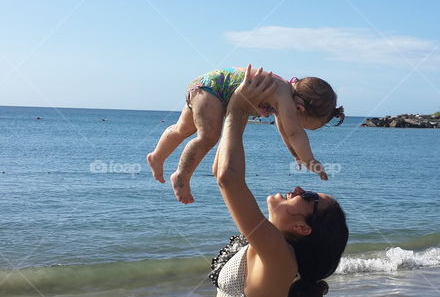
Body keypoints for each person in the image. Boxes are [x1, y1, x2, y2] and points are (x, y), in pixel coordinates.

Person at [209, 66, 349, 297]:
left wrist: (238, 109)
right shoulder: (271, 250)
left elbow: (227, 178)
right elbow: (223, 173)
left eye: (311, 198)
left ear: (304, 228)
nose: (299, 187)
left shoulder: (278, 258)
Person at [147, 67, 345, 204]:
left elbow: (285, 130)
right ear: (300, 108)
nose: (297, 124)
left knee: (182, 129)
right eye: (307, 126)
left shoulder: (281, 93)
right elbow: (294, 132)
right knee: (208, 137)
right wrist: (310, 159)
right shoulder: (283, 95)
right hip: (214, 91)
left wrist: (295, 154)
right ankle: (181, 176)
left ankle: (157, 156)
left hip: (204, 85)